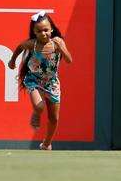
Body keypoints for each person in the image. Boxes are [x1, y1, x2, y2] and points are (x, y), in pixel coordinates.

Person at [8, 12, 73, 151]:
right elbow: (20, 47)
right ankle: (36, 113)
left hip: (52, 83)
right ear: (34, 32)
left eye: (46, 30)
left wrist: (61, 48)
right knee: (39, 106)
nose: (43, 33)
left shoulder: (58, 42)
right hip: (34, 80)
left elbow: (69, 60)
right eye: (39, 31)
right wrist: (12, 61)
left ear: (51, 29)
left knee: (54, 118)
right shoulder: (33, 44)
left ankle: (46, 143)